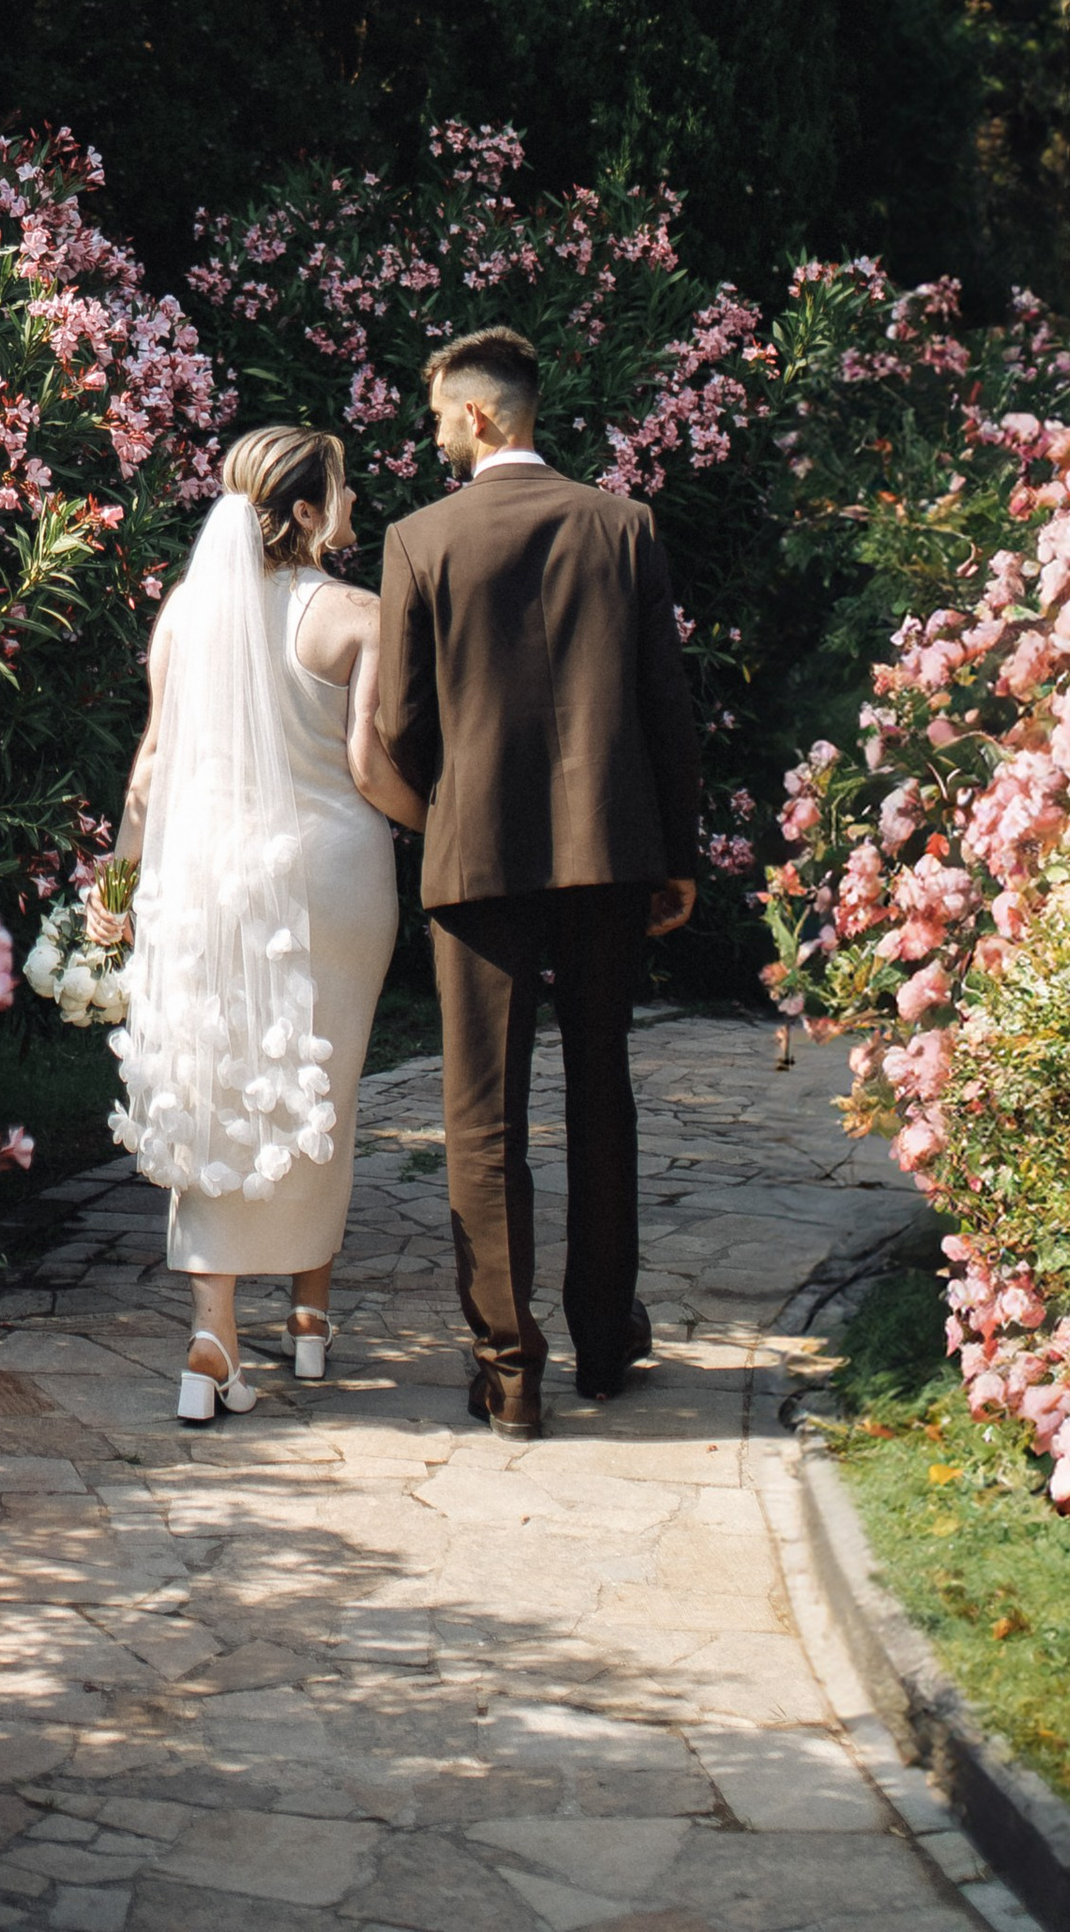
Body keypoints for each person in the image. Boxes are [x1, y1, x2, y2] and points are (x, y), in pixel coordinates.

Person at [376, 326, 700, 1441]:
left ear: (477, 417)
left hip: (475, 861)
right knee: (600, 1092)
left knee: (483, 1115)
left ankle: (509, 1369)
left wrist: (455, 803)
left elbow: (399, 726)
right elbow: (667, 706)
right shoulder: (623, 527)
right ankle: (606, 1345)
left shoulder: (418, 541)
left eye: (435, 419)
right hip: (609, 853)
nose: (432, 439)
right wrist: (677, 855)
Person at [100, 427, 424, 1420]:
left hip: (209, 879)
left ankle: (212, 1336)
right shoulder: (356, 616)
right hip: (330, 879)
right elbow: (369, 768)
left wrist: (116, 888)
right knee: (323, 1081)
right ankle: (310, 1321)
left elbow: (151, 769)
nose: (354, 504)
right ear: (301, 513)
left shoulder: (191, 614)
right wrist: (441, 821)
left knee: (218, 1080)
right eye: (341, 489)